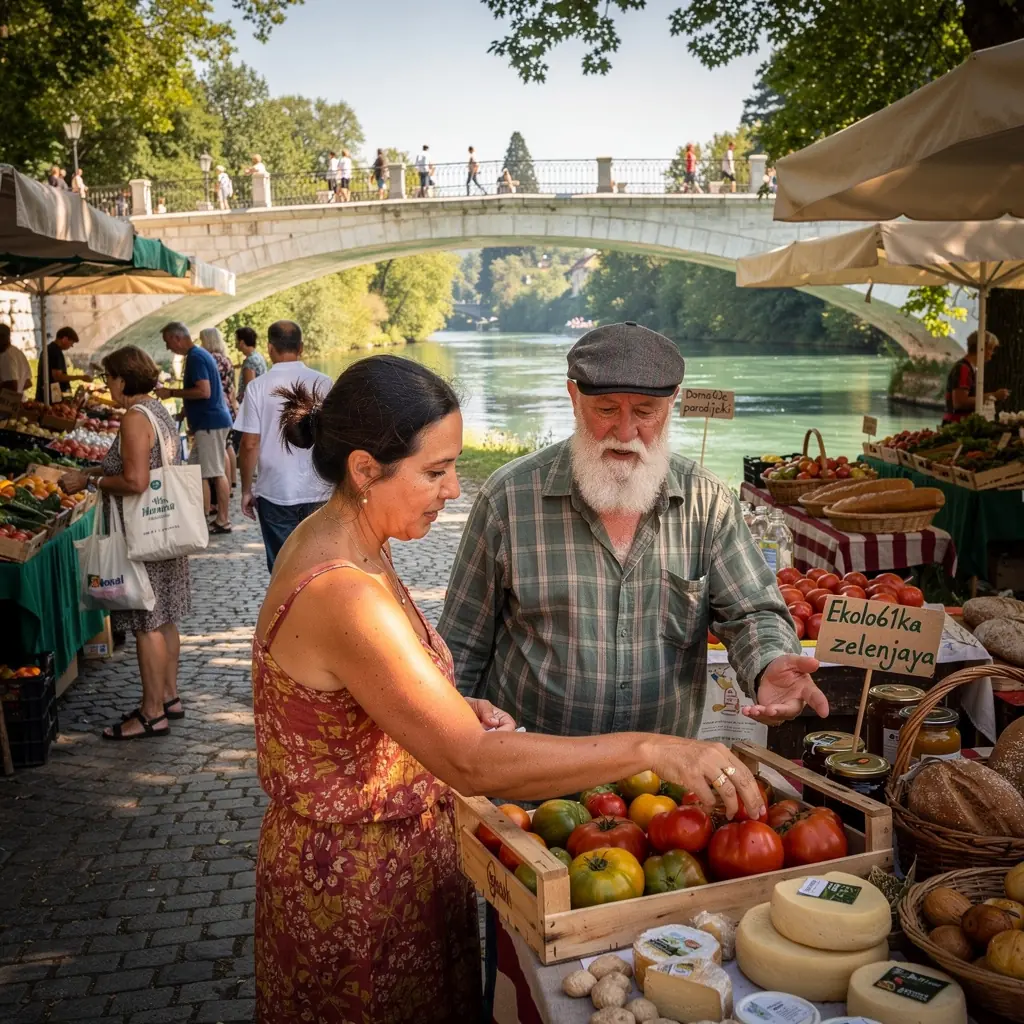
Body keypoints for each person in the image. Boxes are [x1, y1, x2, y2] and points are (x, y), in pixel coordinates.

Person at [251, 353, 766, 1024]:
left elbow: (348, 698)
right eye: (435, 472)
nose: (453, 491)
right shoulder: (344, 589)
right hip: (356, 889)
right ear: (363, 469)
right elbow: (468, 760)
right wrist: (652, 749)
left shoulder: (355, 543)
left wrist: (442, 703)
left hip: (392, 863)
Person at [440, 321, 827, 738]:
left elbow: (752, 612)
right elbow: (461, 644)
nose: (625, 433)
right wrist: (454, 751)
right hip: (529, 780)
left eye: (645, 412)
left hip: (661, 791)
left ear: (671, 403)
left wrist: (769, 662)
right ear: (574, 398)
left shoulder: (707, 502)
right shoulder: (508, 499)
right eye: (606, 410)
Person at [59, 346, 191, 739]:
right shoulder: (158, 411)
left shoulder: (134, 418)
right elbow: (145, 466)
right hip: (165, 529)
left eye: (108, 378)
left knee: (146, 623)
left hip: (142, 533)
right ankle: (168, 696)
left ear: (123, 377)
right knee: (164, 617)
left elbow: (135, 482)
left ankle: (151, 713)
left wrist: (91, 480)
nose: (108, 386)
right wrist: (99, 468)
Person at [235, 321, 331, 570]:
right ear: (301, 347)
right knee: (321, 565)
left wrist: (247, 489)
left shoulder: (257, 387)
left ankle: (287, 608)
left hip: (275, 491)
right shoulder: (325, 384)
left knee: (283, 569)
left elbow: (249, 444)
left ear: (269, 348)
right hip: (320, 488)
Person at [155, 322, 234, 534]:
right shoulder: (198, 355)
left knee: (214, 473)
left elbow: (203, 391)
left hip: (210, 423)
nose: (168, 348)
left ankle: (222, 520)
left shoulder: (197, 358)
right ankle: (203, 517)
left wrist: (171, 393)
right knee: (198, 472)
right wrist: (183, 412)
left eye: (167, 342)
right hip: (208, 421)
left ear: (176, 338)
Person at [199, 327, 238, 493]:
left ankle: (224, 486)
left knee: (220, 450)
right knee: (227, 447)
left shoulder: (210, 359)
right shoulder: (227, 359)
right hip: (229, 407)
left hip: (217, 408)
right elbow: (232, 387)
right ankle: (232, 482)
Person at [943, 329, 1009, 424]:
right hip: (957, 424)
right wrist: (994, 396)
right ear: (982, 347)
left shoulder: (970, 368)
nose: (992, 353)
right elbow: (960, 402)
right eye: (990, 348)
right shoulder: (963, 369)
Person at [35, 326, 92, 403]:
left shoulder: (49, 349)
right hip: (52, 396)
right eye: (71, 343)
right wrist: (81, 377)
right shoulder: (55, 352)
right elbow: (58, 376)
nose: (71, 346)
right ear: (65, 339)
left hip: (47, 393)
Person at [235, 326, 267, 406]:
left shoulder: (250, 361)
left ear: (242, 342)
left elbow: (250, 390)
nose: (235, 344)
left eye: (236, 340)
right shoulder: (259, 357)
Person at [0, 324, 32, 395]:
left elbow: (11, 385)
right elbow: (28, 383)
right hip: (18, 402)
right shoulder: (17, 352)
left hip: (7, 404)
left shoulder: (6, 356)